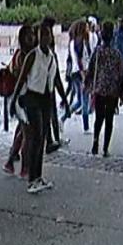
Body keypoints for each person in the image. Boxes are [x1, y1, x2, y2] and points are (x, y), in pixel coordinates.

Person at [12, 24, 69, 194]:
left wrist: (64, 100)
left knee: (42, 138)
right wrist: (14, 101)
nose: (46, 38)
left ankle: (38, 176)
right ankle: (32, 178)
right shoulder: (32, 56)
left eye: (48, 35)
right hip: (32, 97)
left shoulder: (51, 57)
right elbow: (22, 79)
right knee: (36, 138)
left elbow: (57, 79)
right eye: (43, 35)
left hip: (46, 99)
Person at [85, 21, 123, 157]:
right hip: (113, 90)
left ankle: (95, 141)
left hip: (100, 89)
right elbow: (121, 73)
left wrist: (88, 83)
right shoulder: (117, 54)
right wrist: (121, 92)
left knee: (98, 117)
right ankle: (105, 148)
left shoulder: (98, 51)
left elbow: (91, 69)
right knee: (109, 120)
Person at [2, 24, 36, 178]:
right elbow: (23, 79)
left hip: (22, 97)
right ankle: (24, 168)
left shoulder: (23, 54)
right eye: (29, 35)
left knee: (22, 131)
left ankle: (10, 161)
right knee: (27, 134)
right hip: (22, 98)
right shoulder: (23, 56)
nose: (32, 37)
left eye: (32, 34)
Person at [43, 16, 68, 153]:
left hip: (47, 88)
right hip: (44, 89)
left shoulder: (49, 53)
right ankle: (50, 140)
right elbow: (56, 76)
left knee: (50, 115)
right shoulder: (43, 54)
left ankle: (53, 139)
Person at [62, 19, 91, 133]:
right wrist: (83, 73)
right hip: (80, 72)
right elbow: (80, 59)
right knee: (84, 100)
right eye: (87, 27)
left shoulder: (73, 41)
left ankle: (64, 118)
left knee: (80, 100)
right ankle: (86, 126)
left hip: (75, 72)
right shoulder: (81, 41)